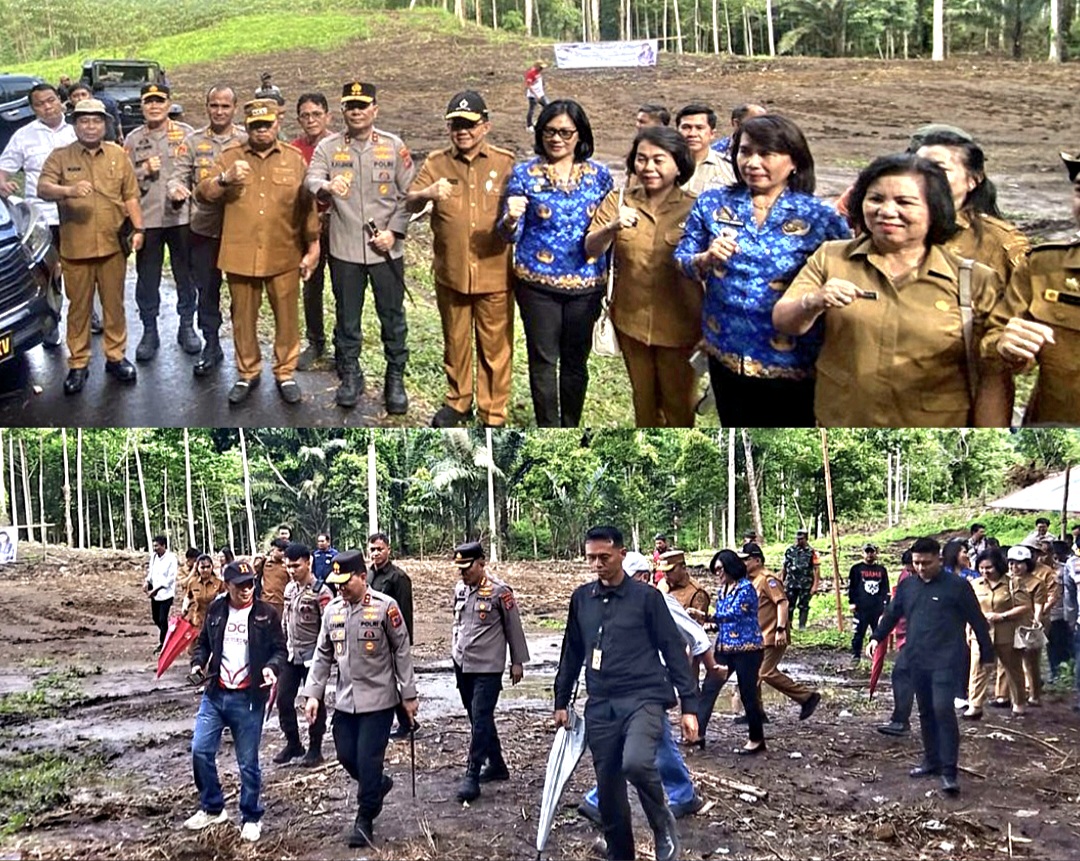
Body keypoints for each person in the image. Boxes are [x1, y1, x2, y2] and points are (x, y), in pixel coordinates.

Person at [772, 152, 1008, 427]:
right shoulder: (832, 257)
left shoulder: (974, 281)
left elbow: (994, 375)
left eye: (904, 202)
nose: (886, 211)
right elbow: (784, 321)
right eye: (876, 199)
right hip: (842, 421)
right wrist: (813, 301)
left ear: (935, 209)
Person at [675, 114, 850, 427]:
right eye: (745, 152)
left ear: (794, 161)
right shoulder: (713, 203)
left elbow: (844, 273)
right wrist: (704, 259)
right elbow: (682, 260)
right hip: (725, 352)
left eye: (766, 154)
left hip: (792, 362)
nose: (753, 162)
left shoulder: (820, 217)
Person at [553, 526, 698, 861]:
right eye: (591, 558)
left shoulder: (647, 598)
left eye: (604, 557)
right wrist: (562, 700)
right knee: (609, 790)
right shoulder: (582, 599)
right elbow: (571, 651)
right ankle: (621, 854)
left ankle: (662, 825)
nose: (598, 564)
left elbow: (673, 649)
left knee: (635, 762)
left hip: (644, 698)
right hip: (601, 704)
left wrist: (689, 705)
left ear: (621, 553)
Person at [196, 98, 321, 406]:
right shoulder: (229, 157)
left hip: (284, 252)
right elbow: (203, 195)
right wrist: (224, 179)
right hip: (241, 253)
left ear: (277, 124)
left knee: (287, 317)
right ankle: (247, 372)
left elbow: (307, 207)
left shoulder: (294, 159)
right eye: (255, 126)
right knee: (243, 317)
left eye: (267, 125)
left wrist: (313, 245)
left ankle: (285, 372)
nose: (261, 131)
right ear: (247, 126)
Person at [501, 99, 613, 427]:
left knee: (576, 363)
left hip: (586, 285)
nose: (557, 138)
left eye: (565, 132)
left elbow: (607, 226)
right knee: (543, 361)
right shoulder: (524, 174)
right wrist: (510, 218)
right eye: (549, 131)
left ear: (580, 135)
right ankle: (549, 427)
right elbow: (510, 234)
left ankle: (570, 425)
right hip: (537, 286)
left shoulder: (601, 177)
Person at [407, 91, 516, 428]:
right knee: (455, 341)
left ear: (485, 126)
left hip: (494, 272)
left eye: (469, 124)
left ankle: (493, 412)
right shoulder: (436, 163)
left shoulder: (505, 163)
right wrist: (427, 193)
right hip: (451, 272)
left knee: (495, 348)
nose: (462, 131)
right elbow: (409, 200)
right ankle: (458, 401)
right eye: (455, 124)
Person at [305, 82, 413, 413]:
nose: (356, 111)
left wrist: (395, 233)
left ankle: (395, 378)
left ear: (374, 110)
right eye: (350, 105)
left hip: (386, 251)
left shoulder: (394, 147)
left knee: (392, 317)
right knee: (347, 317)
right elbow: (311, 180)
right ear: (343, 111)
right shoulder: (328, 147)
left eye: (362, 105)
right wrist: (326, 185)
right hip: (345, 248)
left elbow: (411, 197)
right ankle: (350, 373)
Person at [578, 551, 707, 826]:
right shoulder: (606, 600)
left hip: (651, 687)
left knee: (638, 748)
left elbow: (695, 637)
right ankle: (681, 794)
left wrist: (694, 690)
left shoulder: (653, 599)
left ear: (642, 577)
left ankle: (600, 799)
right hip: (628, 689)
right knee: (651, 743)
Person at [585, 126, 701, 427]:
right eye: (641, 159)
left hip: (681, 328)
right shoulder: (618, 200)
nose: (648, 167)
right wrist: (612, 226)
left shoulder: (697, 207)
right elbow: (591, 248)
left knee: (679, 408)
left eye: (658, 160)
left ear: (679, 165)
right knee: (644, 405)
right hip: (631, 323)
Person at [302, 550, 419, 848]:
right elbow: (322, 655)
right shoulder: (333, 610)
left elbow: (402, 651)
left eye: (346, 581)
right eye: (336, 582)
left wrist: (408, 695)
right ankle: (378, 785)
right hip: (345, 701)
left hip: (378, 701)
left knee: (368, 760)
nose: (340, 587)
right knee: (345, 755)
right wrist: (313, 694)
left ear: (362, 578)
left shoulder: (385, 608)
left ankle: (365, 818)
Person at [868, 537, 993, 796]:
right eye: (917, 563)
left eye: (926, 563)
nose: (921, 568)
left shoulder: (957, 586)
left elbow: (977, 620)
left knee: (942, 709)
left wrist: (987, 655)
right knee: (925, 711)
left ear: (938, 559)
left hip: (947, 659)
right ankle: (931, 761)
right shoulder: (908, 586)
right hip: (917, 658)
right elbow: (892, 613)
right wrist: (876, 637)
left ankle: (949, 770)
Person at [38, 98, 144, 394]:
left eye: (96, 120)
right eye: (84, 120)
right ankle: (78, 363)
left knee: (115, 306)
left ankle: (116, 356)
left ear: (105, 124)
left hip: (113, 247)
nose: (90, 125)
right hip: (75, 248)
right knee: (79, 309)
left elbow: (131, 196)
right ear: (75, 124)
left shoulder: (117, 155)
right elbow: (42, 188)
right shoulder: (60, 157)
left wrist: (139, 228)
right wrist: (68, 190)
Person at [185, 560, 285, 843]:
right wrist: (198, 664)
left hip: (249, 698)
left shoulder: (266, 614)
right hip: (215, 694)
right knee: (200, 750)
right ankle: (213, 807)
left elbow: (280, 649)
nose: (246, 590)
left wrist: (271, 668)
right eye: (240, 585)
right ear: (226, 586)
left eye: (250, 584)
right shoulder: (217, 610)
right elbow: (203, 643)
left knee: (248, 762)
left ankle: (252, 816)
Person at [167, 84, 247, 377]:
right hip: (203, 229)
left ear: (234, 109)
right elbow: (177, 177)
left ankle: (245, 350)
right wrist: (175, 189)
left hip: (241, 231)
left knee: (243, 294)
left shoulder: (248, 139)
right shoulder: (192, 141)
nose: (219, 111)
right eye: (214, 105)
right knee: (207, 290)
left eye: (225, 106)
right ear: (207, 107)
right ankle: (211, 344)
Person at [124, 82, 198, 362]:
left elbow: (197, 171)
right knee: (148, 278)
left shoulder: (187, 134)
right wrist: (142, 169)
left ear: (169, 104)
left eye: (159, 100)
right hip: (148, 219)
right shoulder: (132, 140)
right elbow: (121, 180)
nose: (154, 106)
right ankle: (149, 330)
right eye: (148, 101)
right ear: (142, 105)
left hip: (181, 217)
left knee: (185, 275)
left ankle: (187, 326)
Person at [451, 540, 529, 802]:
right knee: (477, 718)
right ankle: (497, 764)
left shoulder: (499, 591)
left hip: (488, 667)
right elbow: (458, 624)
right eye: (459, 567)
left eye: (467, 567)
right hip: (463, 663)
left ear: (481, 563)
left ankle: (472, 774)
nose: (463, 572)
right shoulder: (460, 589)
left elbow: (513, 627)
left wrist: (517, 661)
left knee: (481, 716)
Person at [0, 83, 77, 348]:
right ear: (33, 109)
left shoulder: (78, 130)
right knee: (50, 273)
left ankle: (90, 316)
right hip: (44, 220)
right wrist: (3, 184)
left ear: (60, 101)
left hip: (77, 214)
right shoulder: (23, 136)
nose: (47, 107)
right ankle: (52, 324)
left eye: (51, 101)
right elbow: (3, 169)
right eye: (40, 104)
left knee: (82, 268)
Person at [913, 130, 1029, 286]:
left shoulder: (1000, 242)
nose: (923, 176)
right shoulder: (886, 226)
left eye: (938, 169)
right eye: (916, 168)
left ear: (973, 180)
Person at [695, 549, 767, 755]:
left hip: (747, 649)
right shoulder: (723, 589)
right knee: (709, 687)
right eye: (715, 570)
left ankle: (756, 738)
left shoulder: (746, 589)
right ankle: (698, 733)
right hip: (725, 647)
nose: (717, 573)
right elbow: (723, 618)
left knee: (747, 693)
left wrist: (707, 617)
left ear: (730, 567)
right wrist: (712, 624)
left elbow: (734, 614)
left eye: (720, 569)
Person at [741, 542, 820, 721]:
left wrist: (781, 629)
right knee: (752, 674)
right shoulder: (750, 581)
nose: (743, 564)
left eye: (746, 560)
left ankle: (807, 697)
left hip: (772, 634)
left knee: (765, 672)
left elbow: (782, 603)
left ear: (757, 560)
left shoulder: (768, 579)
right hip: (757, 636)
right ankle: (756, 713)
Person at [275, 542, 334, 767]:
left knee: (314, 702)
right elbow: (285, 620)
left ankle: (315, 748)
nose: (291, 570)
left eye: (296, 566)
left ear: (308, 563)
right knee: (283, 700)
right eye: (288, 566)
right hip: (292, 655)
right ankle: (293, 743)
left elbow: (328, 627)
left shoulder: (322, 592)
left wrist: (325, 657)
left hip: (313, 657)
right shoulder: (290, 589)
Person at [290, 92, 334, 371]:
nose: (311, 120)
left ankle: (344, 347)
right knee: (311, 284)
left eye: (316, 114)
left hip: (338, 225)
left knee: (344, 287)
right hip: (307, 228)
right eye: (305, 115)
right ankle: (315, 341)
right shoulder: (293, 150)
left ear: (327, 116)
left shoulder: (339, 146)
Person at [964, 548, 1030, 719]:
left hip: (1006, 633)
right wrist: (968, 629)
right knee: (977, 669)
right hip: (981, 634)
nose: (985, 572)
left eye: (989, 568)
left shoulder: (1013, 584)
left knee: (1013, 670)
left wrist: (1002, 616)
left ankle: (1019, 703)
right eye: (982, 568)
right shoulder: (974, 584)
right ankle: (975, 705)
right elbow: (970, 609)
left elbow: (1025, 606)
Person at [367, 532, 417, 739]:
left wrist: (404, 643)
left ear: (389, 550)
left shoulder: (398, 577)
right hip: (373, 638)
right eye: (372, 550)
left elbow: (405, 613)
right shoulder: (368, 575)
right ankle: (404, 721)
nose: (376, 554)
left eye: (380, 549)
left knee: (395, 682)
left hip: (392, 639)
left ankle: (408, 721)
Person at [878, 549, 916, 736]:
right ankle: (901, 720)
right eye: (910, 568)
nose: (915, 571)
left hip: (930, 639)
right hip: (908, 634)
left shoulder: (945, 584)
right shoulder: (906, 579)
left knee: (905, 674)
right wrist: (878, 635)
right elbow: (895, 609)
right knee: (902, 674)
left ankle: (902, 720)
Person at [674, 104, 731, 192]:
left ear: (712, 134)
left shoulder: (729, 168)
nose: (692, 134)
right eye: (686, 127)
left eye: (699, 128)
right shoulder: (664, 164)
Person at [849, 544, 890, 661]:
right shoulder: (856, 569)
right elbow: (852, 587)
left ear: (876, 553)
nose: (869, 555)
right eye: (867, 552)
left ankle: (877, 656)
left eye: (872, 552)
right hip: (861, 608)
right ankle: (856, 655)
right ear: (863, 553)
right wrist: (852, 602)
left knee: (878, 633)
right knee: (858, 633)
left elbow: (885, 588)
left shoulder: (881, 570)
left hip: (877, 608)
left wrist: (886, 605)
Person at [180, 553, 224, 646]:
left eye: (208, 567)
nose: (205, 570)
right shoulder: (193, 583)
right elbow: (188, 597)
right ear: (197, 568)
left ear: (212, 567)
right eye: (202, 567)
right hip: (197, 621)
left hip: (215, 621)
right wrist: (184, 609)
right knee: (196, 649)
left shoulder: (219, 583)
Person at [143, 535, 177, 654]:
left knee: (163, 619)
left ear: (163, 546)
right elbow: (151, 572)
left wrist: (158, 588)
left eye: (157, 546)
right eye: (154, 546)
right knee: (155, 618)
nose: (155, 548)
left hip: (166, 593)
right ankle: (169, 634)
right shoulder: (153, 557)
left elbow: (171, 578)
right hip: (155, 593)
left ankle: (163, 644)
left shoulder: (171, 558)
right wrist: (147, 582)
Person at [655, 550, 709, 623]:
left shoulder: (696, 593)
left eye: (670, 570)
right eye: (663, 571)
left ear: (683, 567)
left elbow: (699, 624)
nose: (666, 574)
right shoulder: (661, 584)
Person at [782, 529, 819, 630]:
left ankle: (802, 625)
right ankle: (788, 625)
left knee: (804, 605)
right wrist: (782, 581)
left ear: (806, 539)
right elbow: (784, 567)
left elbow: (816, 569)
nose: (798, 541)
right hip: (791, 583)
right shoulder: (790, 551)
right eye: (797, 539)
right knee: (789, 605)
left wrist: (815, 585)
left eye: (801, 539)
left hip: (805, 584)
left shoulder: (811, 552)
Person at [255, 538, 289, 617]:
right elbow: (253, 571)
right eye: (280, 550)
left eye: (284, 551)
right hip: (266, 600)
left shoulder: (287, 565)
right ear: (273, 550)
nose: (282, 553)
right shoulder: (264, 562)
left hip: (281, 602)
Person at [523, 61, 548, 131]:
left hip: (541, 94)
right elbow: (529, 85)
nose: (542, 69)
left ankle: (540, 121)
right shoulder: (531, 73)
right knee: (532, 110)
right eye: (541, 67)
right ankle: (529, 125)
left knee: (547, 107)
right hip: (533, 95)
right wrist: (536, 95)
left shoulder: (538, 72)